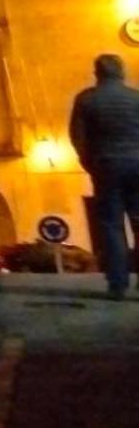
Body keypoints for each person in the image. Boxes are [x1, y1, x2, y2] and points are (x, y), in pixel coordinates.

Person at [67, 52, 139, 299]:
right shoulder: (136, 98)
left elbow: (78, 138)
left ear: (97, 73)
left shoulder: (86, 100)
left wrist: (90, 164)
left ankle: (118, 284)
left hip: (106, 166)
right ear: (122, 72)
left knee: (111, 226)